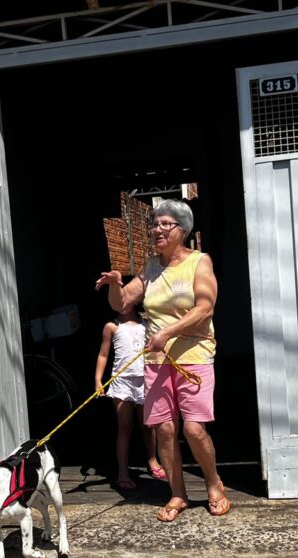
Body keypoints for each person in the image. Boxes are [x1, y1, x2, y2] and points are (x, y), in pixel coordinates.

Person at [94, 199, 229, 522]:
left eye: (164, 224)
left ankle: (214, 484)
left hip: (194, 356)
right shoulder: (150, 266)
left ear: (182, 229)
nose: (156, 229)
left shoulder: (199, 262)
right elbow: (124, 301)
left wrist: (167, 332)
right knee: (165, 430)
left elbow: (205, 308)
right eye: (154, 224)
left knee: (195, 429)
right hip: (156, 360)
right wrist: (115, 284)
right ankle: (178, 493)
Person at [94, 303, 165, 490]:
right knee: (125, 427)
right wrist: (98, 380)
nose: (122, 304)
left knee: (148, 425)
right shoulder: (112, 327)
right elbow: (103, 354)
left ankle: (153, 460)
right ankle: (123, 473)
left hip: (145, 380)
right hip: (122, 382)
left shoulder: (147, 323)